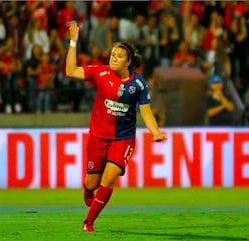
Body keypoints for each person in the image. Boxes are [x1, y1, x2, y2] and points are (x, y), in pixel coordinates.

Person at [66, 21, 167, 232]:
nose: (114, 58)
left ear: (128, 62)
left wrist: (155, 132)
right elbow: (71, 71)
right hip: (98, 137)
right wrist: (73, 42)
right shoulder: (100, 73)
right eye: (112, 54)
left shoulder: (138, 84)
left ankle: (89, 221)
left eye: (119, 56)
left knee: (110, 177)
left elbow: (146, 112)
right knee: (92, 183)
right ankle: (88, 190)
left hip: (123, 137)